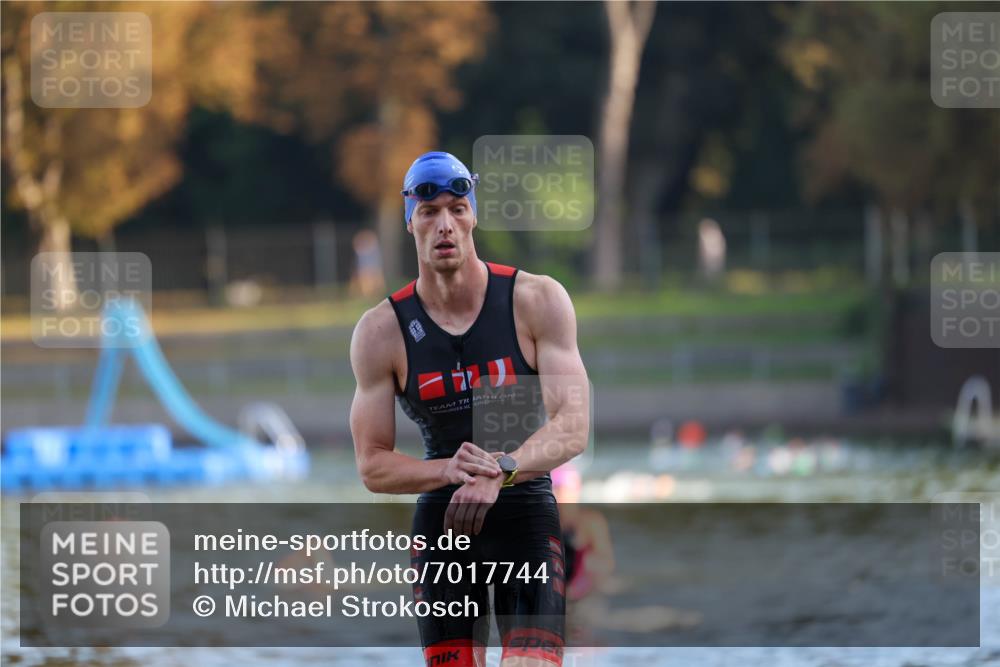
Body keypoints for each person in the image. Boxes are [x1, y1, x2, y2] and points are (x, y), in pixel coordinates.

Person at [349, 151, 590, 667]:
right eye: (430, 212)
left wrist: (500, 471)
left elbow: (572, 426)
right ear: (409, 221)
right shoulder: (380, 331)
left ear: (473, 216)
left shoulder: (535, 300)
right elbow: (372, 463)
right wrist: (449, 471)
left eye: (457, 209)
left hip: (523, 511)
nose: (445, 226)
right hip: (443, 524)